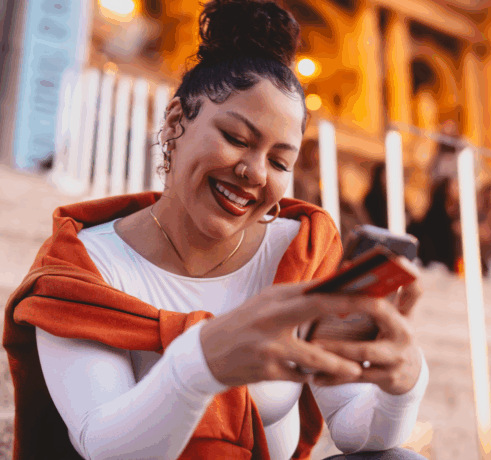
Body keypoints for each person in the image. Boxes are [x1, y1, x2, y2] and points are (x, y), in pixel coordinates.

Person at [3, 1, 429, 459]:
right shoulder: (80, 269)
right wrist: (203, 361)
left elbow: (352, 429)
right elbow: (105, 448)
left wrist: (403, 384)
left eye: (279, 161)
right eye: (236, 139)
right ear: (174, 122)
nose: (255, 172)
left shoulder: (300, 251)